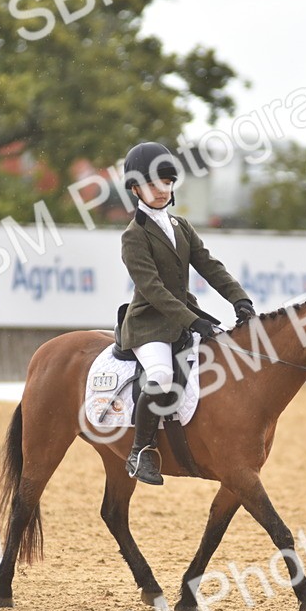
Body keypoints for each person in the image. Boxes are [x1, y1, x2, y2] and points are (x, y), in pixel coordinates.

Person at [118, 141, 256, 485]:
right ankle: (141, 451)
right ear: (135, 189)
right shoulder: (133, 236)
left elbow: (210, 265)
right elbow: (153, 291)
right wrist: (194, 321)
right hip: (149, 325)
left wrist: (240, 300)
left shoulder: (181, 227)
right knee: (162, 375)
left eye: (166, 182)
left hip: (185, 319)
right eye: (152, 184)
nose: (161, 190)